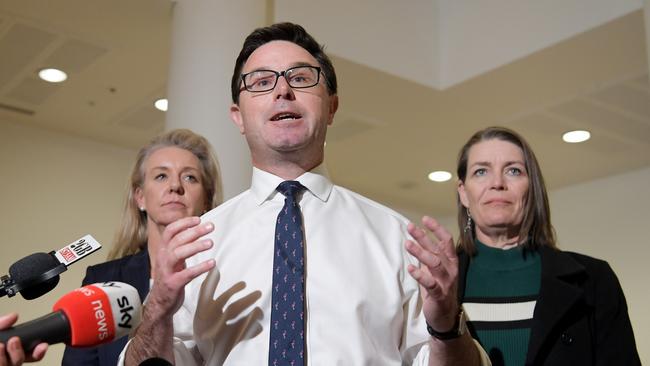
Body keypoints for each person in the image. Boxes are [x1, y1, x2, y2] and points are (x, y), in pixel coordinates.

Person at [120, 23, 490, 365]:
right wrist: (157, 311)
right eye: (262, 81)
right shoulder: (198, 245)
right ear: (238, 117)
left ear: (331, 107)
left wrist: (445, 326)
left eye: (300, 77)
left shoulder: (397, 239)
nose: (283, 90)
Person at [454, 126, 640, 365]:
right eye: (481, 172)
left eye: (513, 171)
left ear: (532, 189)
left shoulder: (594, 279)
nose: (497, 183)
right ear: (464, 193)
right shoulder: (437, 284)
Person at [62, 129, 223, 366]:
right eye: (161, 176)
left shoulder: (226, 276)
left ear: (207, 200)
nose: (175, 186)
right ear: (140, 197)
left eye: (190, 177)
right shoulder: (102, 281)